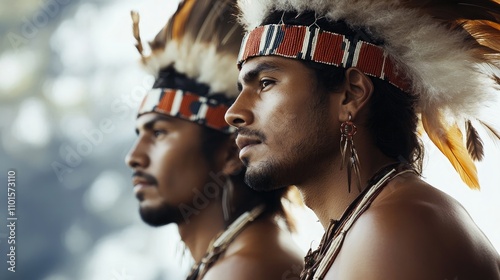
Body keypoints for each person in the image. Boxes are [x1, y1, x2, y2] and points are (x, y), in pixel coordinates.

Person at [225, 0, 500, 279]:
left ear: (351, 95)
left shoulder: (393, 229)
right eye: (240, 89)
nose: (233, 113)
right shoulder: (371, 225)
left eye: (265, 83)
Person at [125, 0, 303, 279]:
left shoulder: (245, 268)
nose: (134, 157)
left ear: (231, 154)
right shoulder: (235, 258)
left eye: (159, 133)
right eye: (140, 135)